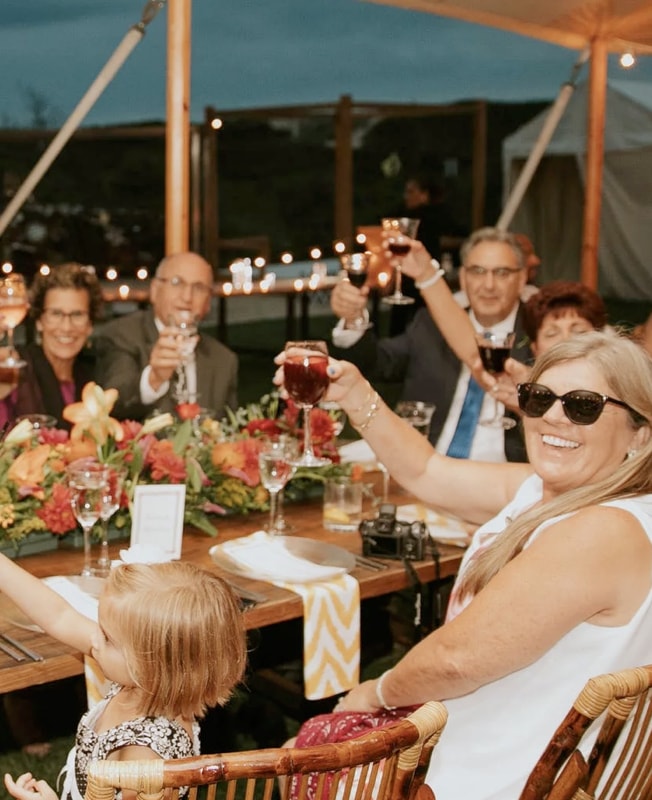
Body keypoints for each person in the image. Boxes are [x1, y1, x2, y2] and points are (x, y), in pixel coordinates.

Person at [275, 329, 652, 800]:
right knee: (309, 741)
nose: (553, 417)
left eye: (583, 405)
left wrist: (375, 693)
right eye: (539, 399)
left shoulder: (600, 531)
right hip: (504, 735)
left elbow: (457, 662)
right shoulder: (552, 492)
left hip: (493, 769)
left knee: (304, 753)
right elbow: (425, 471)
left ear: (640, 431)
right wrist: (355, 395)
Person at [1, 559, 247, 800]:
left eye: (107, 638)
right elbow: (60, 616)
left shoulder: (145, 755)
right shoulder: (144, 683)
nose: (94, 640)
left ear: (150, 665)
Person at [330, 227, 531, 462]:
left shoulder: (540, 332)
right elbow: (379, 363)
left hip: (505, 474)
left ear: (522, 279)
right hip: (425, 464)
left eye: (502, 273)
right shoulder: (432, 323)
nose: (488, 285)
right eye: (478, 271)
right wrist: (353, 319)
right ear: (464, 278)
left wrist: (427, 275)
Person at [95, 252, 238, 420]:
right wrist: (154, 378)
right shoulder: (122, 335)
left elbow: (230, 433)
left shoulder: (223, 360)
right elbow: (111, 404)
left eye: (198, 288)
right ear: (155, 290)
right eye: (177, 283)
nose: (187, 297)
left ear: (208, 302)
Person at [0, 263, 103, 430]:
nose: (66, 327)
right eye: (56, 313)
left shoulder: (96, 374)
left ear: (90, 324)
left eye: (77, 314)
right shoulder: (13, 367)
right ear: (40, 321)